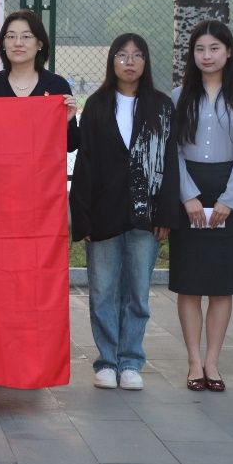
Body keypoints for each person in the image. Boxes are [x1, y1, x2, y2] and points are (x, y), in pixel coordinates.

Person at [69, 33, 180, 391]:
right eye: (122, 55)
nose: (129, 62)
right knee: (103, 291)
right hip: (103, 212)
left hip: (146, 214)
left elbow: (170, 162)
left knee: (137, 292)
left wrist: (166, 214)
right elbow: (84, 163)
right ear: (112, 61)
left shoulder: (162, 106)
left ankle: (131, 361)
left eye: (137, 55)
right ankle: (106, 361)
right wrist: (82, 217)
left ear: (146, 61)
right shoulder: (97, 104)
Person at [169, 21, 233, 392]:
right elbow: (173, 151)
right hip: (188, 190)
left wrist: (228, 200)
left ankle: (212, 362)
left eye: (214, 48)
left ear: (229, 52)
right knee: (189, 284)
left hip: (229, 191)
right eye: (200, 49)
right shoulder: (178, 96)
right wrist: (187, 195)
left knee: (221, 285)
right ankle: (194, 361)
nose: (207, 56)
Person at [0, 9, 79, 150]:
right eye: (11, 36)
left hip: (43, 164)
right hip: (0, 163)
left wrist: (65, 122)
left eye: (26, 36)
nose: (18, 43)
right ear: (3, 44)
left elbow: (71, 145)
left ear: (40, 44)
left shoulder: (57, 85)